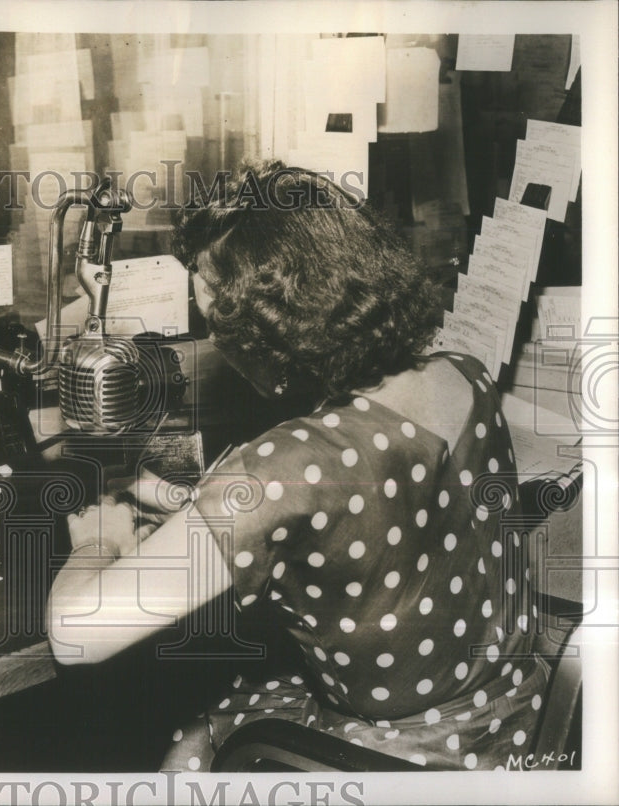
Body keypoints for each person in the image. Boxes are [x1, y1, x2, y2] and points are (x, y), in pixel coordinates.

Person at [46, 162, 546, 771]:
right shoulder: (464, 374)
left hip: (399, 763)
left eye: (219, 327)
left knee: (181, 743)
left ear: (266, 338)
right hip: (513, 724)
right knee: (207, 720)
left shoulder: (283, 470)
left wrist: (98, 542)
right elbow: (377, 506)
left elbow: (75, 634)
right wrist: (199, 505)